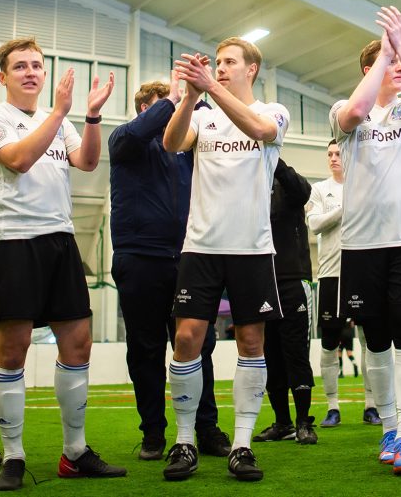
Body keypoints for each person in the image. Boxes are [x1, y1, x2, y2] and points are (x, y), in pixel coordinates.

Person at [0, 37, 124, 490]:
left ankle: (74, 452)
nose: (31, 72)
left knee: (78, 345)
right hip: (13, 242)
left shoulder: (57, 121)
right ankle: (14, 456)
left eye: (37, 65)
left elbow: (89, 160)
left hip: (60, 241)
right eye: (20, 66)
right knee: (11, 351)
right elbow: (18, 161)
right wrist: (60, 112)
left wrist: (92, 116)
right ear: (3, 77)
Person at [162, 38, 289, 482]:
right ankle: (183, 441)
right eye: (217, 63)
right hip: (201, 247)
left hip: (252, 249)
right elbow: (172, 142)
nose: (220, 67)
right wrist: (191, 96)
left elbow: (259, 131)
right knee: (186, 338)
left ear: (251, 69)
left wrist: (209, 89)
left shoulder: (273, 112)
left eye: (229, 62)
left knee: (251, 344)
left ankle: (242, 444)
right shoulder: (203, 115)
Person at [330, 6, 401, 475]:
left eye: (398, 64)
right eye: (390, 63)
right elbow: (356, 110)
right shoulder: (343, 111)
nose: (397, 69)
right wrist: (383, 54)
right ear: (370, 70)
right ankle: (389, 428)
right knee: (374, 337)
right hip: (360, 244)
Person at [108, 75, 230, 462]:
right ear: (147, 109)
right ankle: (154, 433)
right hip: (139, 259)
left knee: (198, 345)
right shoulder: (125, 141)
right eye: (166, 106)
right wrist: (176, 97)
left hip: (189, 258)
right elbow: (133, 136)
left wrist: (198, 100)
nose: (176, 112)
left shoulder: (187, 149)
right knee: (144, 349)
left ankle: (205, 427)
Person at [308, 141, 382, 427]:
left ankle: (371, 405)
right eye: (329, 154)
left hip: (364, 274)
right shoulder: (319, 189)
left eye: (338, 154)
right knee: (329, 342)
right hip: (330, 274)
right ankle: (332, 407)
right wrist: (345, 208)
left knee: (368, 341)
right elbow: (314, 225)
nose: (333, 158)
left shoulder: (367, 187)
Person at [253, 159, 318, 445]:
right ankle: (282, 422)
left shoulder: (287, 183)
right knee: (270, 356)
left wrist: (272, 154)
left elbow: (304, 191)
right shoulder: (248, 185)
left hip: (293, 280)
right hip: (260, 281)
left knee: (296, 354)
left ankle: (304, 422)